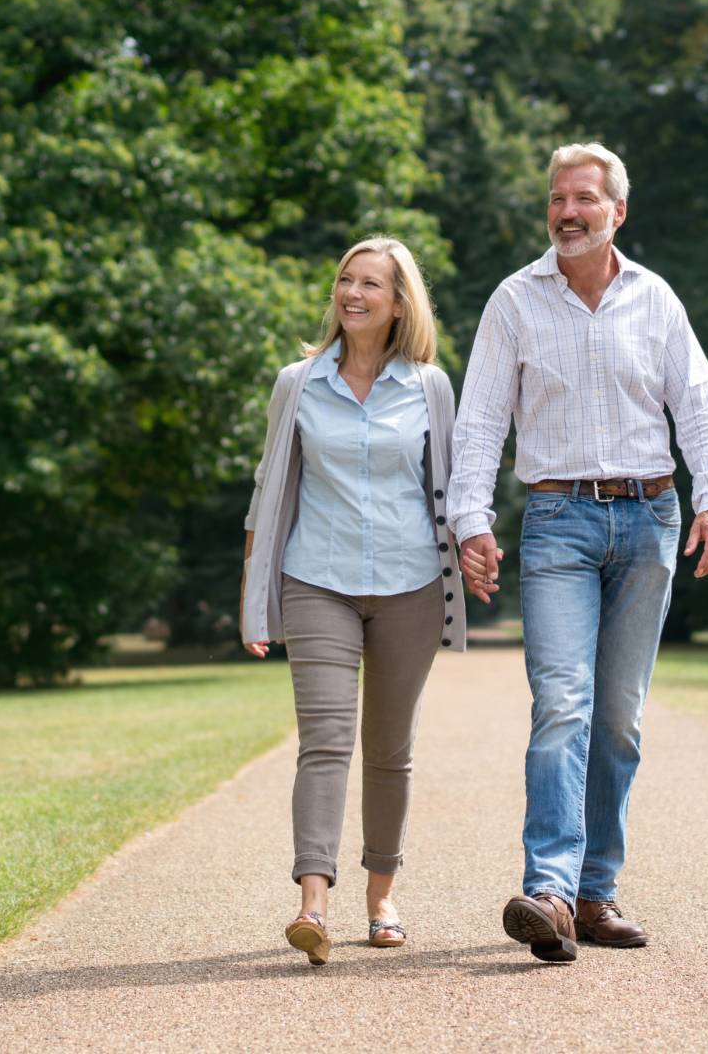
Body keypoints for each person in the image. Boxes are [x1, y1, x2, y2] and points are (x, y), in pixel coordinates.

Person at [449, 143, 708, 963]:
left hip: (649, 518)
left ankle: (594, 892)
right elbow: (479, 425)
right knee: (563, 706)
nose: (567, 211)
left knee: (618, 720)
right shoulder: (515, 301)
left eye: (584, 198)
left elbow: (702, 412)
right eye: (555, 198)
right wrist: (471, 522)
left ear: (618, 210)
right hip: (557, 523)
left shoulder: (656, 300)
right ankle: (547, 887)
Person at [239, 237, 467, 966]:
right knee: (325, 742)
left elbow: (454, 490)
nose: (354, 293)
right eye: (346, 278)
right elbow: (267, 494)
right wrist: (254, 597)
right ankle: (312, 904)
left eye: (372, 283)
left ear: (400, 304)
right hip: (318, 580)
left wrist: (476, 550)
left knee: (390, 750)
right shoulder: (297, 383)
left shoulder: (431, 387)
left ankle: (381, 896)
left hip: (411, 586)